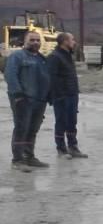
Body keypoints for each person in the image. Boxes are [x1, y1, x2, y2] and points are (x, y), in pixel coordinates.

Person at [5, 31, 51, 171]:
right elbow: (10, 75)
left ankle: (29, 157)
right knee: (21, 128)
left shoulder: (42, 59)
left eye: (38, 40)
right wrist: (17, 94)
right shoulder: (17, 56)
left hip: (39, 100)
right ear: (25, 41)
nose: (36, 42)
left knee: (32, 129)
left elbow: (46, 78)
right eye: (32, 40)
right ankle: (17, 160)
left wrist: (49, 95)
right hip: (23, 99)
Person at [47, 32, 87, 159]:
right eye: (72, 39)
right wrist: (58, 96)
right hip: (61, 96)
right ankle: (61, 149)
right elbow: (51, 78)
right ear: (65, 41)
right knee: (61, 122)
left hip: (72, 94)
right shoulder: (55, 57)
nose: (74, 42)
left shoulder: (68, 56)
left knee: (72, 122)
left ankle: (73, 147)